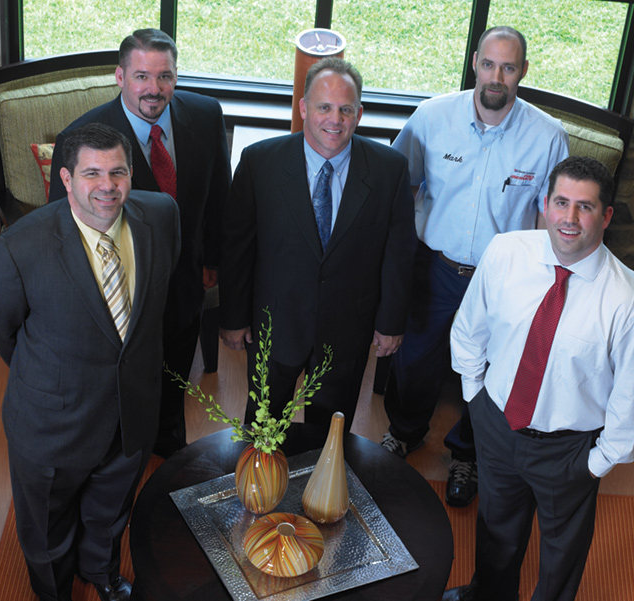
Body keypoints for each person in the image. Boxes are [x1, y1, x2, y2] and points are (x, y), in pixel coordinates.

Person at [0, 123, 180, 601]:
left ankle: (100, 572)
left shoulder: (162, 215)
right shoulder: (20, 247)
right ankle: (56, 592)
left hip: (133, 410)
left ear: (131, 173)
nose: (107, 185)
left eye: (117, 172)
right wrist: (41, 369)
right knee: (47, 528)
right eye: (92, 173)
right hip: (53, 423)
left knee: (111, 509)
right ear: (66, 178)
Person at [444, 156, 634, 601]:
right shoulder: (505, 252)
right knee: (496, 529)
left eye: (585, 207)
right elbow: (469, 330)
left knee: (561, 555)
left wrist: (594, 464)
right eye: (561, 202)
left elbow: (632, 403)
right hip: (497, 423)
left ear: (606, 216)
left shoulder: (632, 305)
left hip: (569, 450)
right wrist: (476, 401)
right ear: (545, 204)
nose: (569, 218)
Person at [381, 25, 569, 507]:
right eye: (488, 64)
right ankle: (404, 432)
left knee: (487, 371)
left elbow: (553, 216)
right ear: (474, 63)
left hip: (501, 278)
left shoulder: (548, 137)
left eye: (508, 67)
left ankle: (468, 453)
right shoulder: (431, 117)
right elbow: (399, 189)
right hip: (433, 266)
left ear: (523, 71)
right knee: (414, 358)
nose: (496, 77)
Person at [49, 28, 231, 459]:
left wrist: (213, 259)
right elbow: (64, 228)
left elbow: (219, 195)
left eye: (164, 76)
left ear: (175, 76)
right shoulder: (81, 138)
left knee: (175, 370)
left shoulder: (206, 115)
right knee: (122, 381)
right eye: (142, 76)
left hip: (185, 279)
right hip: (119, 287)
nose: (154, 88)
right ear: (120, 77)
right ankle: (119, 453)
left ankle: (168, 444)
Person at [219, 57, 417, 433]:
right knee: (262, 428)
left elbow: (399, 253)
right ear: (304, 108)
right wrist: (232, 317)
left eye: (345, 109)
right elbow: (237, 248)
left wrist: (391, 322)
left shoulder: (389, 170)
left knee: (330, 436)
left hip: (347, 330)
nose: (335, 120)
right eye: (324, 107)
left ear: (359, 114)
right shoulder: (260, 162)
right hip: (274, 325)